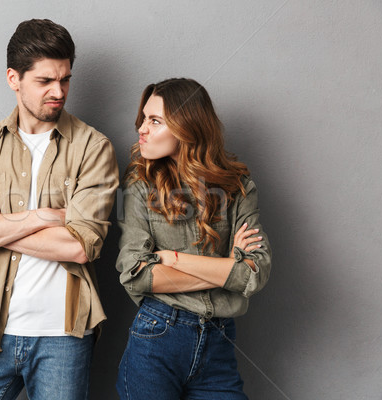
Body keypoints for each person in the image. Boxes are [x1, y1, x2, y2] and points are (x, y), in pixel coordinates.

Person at [0, 19, 118, 400]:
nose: (59, 91)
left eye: (65, 79)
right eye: (45, 81)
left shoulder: (92, 147)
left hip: (63, 337)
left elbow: (80, 246)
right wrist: (38, 216)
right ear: (13, 78)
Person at [115, 78, 271, 399]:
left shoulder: (237, 185)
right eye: (144, 118)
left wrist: (174, 259)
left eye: (155, 121)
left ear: (187, 128)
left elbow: (254, 274)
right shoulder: (141, 184)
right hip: (157, 337)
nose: (141, 128)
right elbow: (136, 274)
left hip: (219, 343)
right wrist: (228, 267)